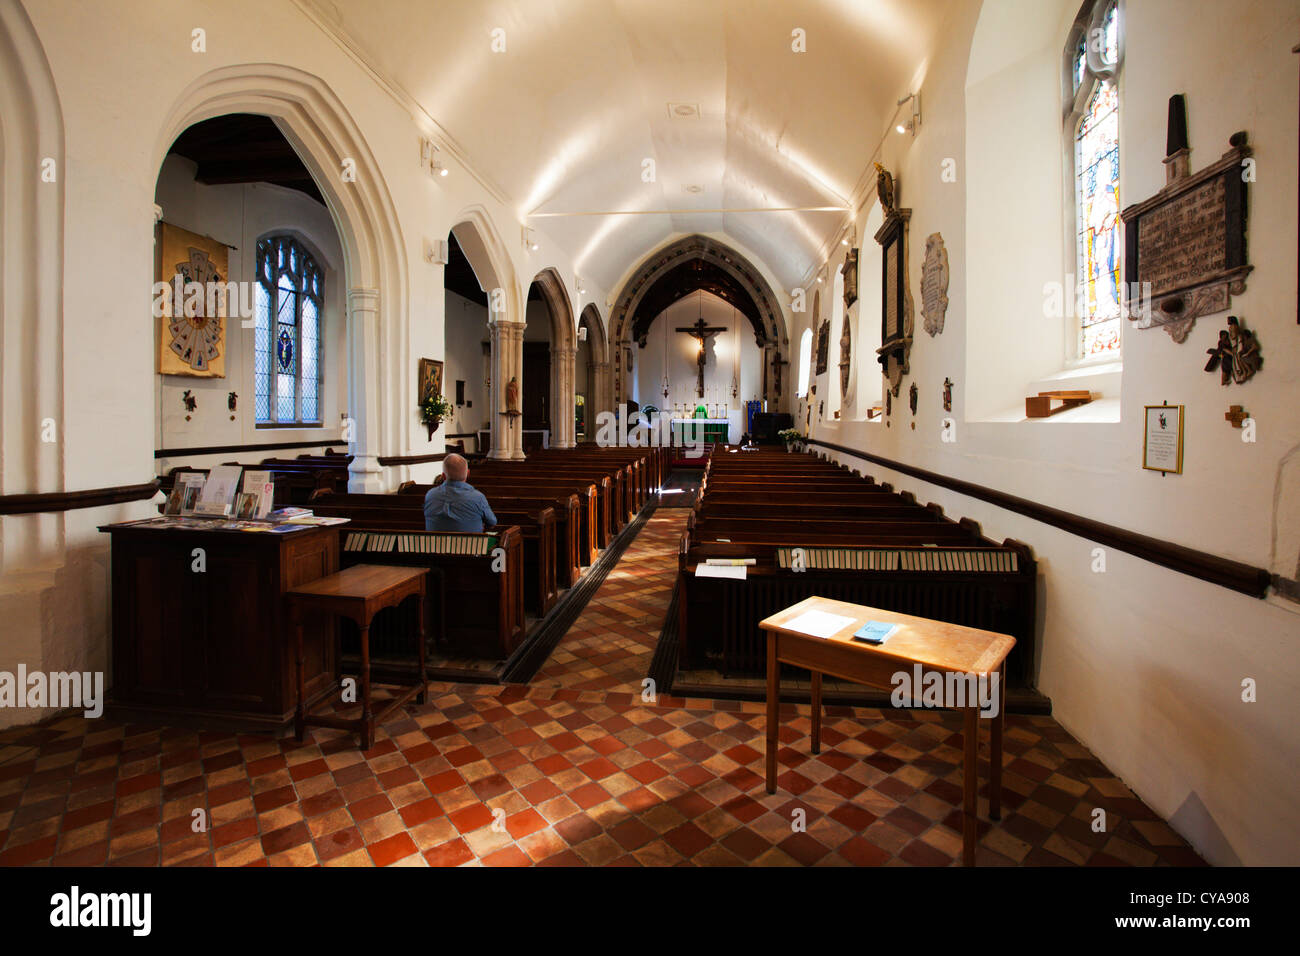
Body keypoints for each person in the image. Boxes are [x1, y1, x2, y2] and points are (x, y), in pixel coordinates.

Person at [423, 453, 497, 532]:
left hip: (436, 544)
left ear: (443, 476)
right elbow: (492, 522)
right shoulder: (478, 497)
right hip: (470, 544)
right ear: (468, 474)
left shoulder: (430, 495)